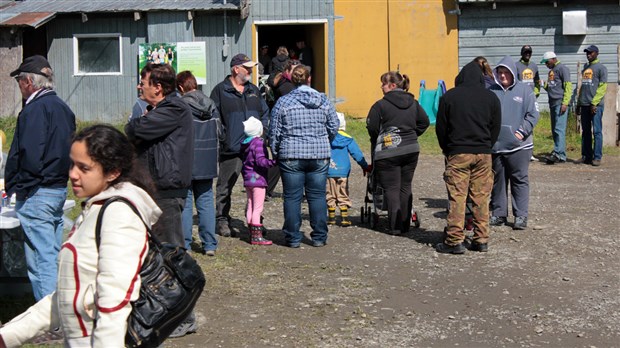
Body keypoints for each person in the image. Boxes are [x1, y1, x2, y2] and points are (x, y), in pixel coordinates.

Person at [0, 125, 162, 348]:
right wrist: (7, 336)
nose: (72, 174)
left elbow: (114, 301)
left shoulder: (119, 214)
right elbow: (67, 298)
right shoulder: (95, 209)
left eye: (84, 168)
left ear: (113, 172)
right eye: (72, 164)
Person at [125, 63, 196, 337]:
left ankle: (185, 318)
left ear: (158, 86)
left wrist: (136, 123)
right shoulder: (160, 110)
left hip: (166, 191)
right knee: (156, 257)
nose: (139, 86)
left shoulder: (173, 109)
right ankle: (162, 313)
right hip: (156, 190)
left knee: (172, 257)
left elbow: (135, 131)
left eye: (143, 81)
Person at [5, 55, 76, 301]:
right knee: (52, 253)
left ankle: (50, 318)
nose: (19, 86)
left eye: (19, 81)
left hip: (38, 189)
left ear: (28, 82)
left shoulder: (35, 109)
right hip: (57, 187)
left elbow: (31, 154)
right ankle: (59, 307)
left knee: (40, 257)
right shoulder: (62, 107)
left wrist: (21, 186)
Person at [435, 61, 502, 254]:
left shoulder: (449, 97)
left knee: (458, 196)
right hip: (483, 153)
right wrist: (486, 146)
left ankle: (454, 240)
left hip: (458, 152)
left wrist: (447, 149)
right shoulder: (491, 98)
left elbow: (441, 128)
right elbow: (495, 127)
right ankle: (481, 239)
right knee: (481, 197)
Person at [269, 65, 339, 248]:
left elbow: (274, 131)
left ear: (292, 80)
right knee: (317, 196)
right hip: (318, 153)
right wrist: (324, 141)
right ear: (309, 79)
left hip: (291, 153)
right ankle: (319, 236)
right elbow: (334, 125)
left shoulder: (283, 102)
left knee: (292, 197)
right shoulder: (323, 100)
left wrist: (276, 151)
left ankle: (293, 238)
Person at [210, 53, 270, 237]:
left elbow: (265, 112)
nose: (251, 71)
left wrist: (264, 131)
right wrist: (223, 138)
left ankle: (255, 220)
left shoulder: (253, 90)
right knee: (225, 186)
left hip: (254, 148)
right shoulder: (221, 90)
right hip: (232, 148)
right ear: (236, 69)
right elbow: (214, 117)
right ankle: (221, 219)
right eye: (247, 68)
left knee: (257, 186)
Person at [366, 71, 430, 236]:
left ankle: (395, 226)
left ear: (392, 86)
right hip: (411, 149)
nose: (381, 87)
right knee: (405, 186)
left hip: (388, 152)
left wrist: (379, 138)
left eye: (383, 84)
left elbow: (372, 127)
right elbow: (425, 121)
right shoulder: (414, 103)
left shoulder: (380, 105)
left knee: (392, 188)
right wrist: (412, 135)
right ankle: (405, 224)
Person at [489, 56, 540, 230]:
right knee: (498, 181)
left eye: (506, 73)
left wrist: (521, 132)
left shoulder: (525, 91)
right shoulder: (491, 91)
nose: (503, 76)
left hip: (519, 146)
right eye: (500, 72)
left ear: (513, 74)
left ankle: (521, 216)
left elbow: (533, 114)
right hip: (496, 147)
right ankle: (498, 214)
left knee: (519, 180)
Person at [177, 70, 220, 256]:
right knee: (206, 202)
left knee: (185, 203)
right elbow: (220, 131)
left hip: (185, 160)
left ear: (180, 87)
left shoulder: (180, 106)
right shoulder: (211, 104)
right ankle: (209, 244)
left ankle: (185, 244)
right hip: (208, 159)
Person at [327, 112, 369, 227]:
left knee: (330, 193)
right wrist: (364, 166)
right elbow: (357, 154)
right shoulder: (348, 139)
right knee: (343, 192)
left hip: (328, 170)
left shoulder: (326, 138)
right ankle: (344, 218)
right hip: (343, 171)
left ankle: (331, 218)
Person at [241, 116, 276, 245]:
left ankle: (251, 231)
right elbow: (261, 161)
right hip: (258, 180)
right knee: (258, 208)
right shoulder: (258, 143)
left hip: (248, 179)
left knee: (250, 205)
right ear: (259, 130)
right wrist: (273, 162)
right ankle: (257, 236)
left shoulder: (246, 143)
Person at [577, 45, 608, 167]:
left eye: (590, 52)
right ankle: (586, 156)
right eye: (587, 53)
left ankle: (597, 157)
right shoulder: (585, 67)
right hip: (584, 104)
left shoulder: (601, 68)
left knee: (597, 131)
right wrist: (579, 103)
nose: (588, 54)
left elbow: (602, 87)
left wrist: (594, 103)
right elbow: (583, 87)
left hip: (595, 105)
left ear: (596, 53)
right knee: (585, 131)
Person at [540, 52, 573, 164]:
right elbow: (551, 88)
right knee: (555, 130)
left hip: (560, 103)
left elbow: (568, 86)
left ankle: (557, 153)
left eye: (547, 62)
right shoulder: (551, 72)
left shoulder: (562, 69)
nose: (546, 65)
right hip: (552, 103)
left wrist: (565, 103)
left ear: (553, 59)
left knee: (559, 129)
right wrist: (544, 84)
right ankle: (561, 155)